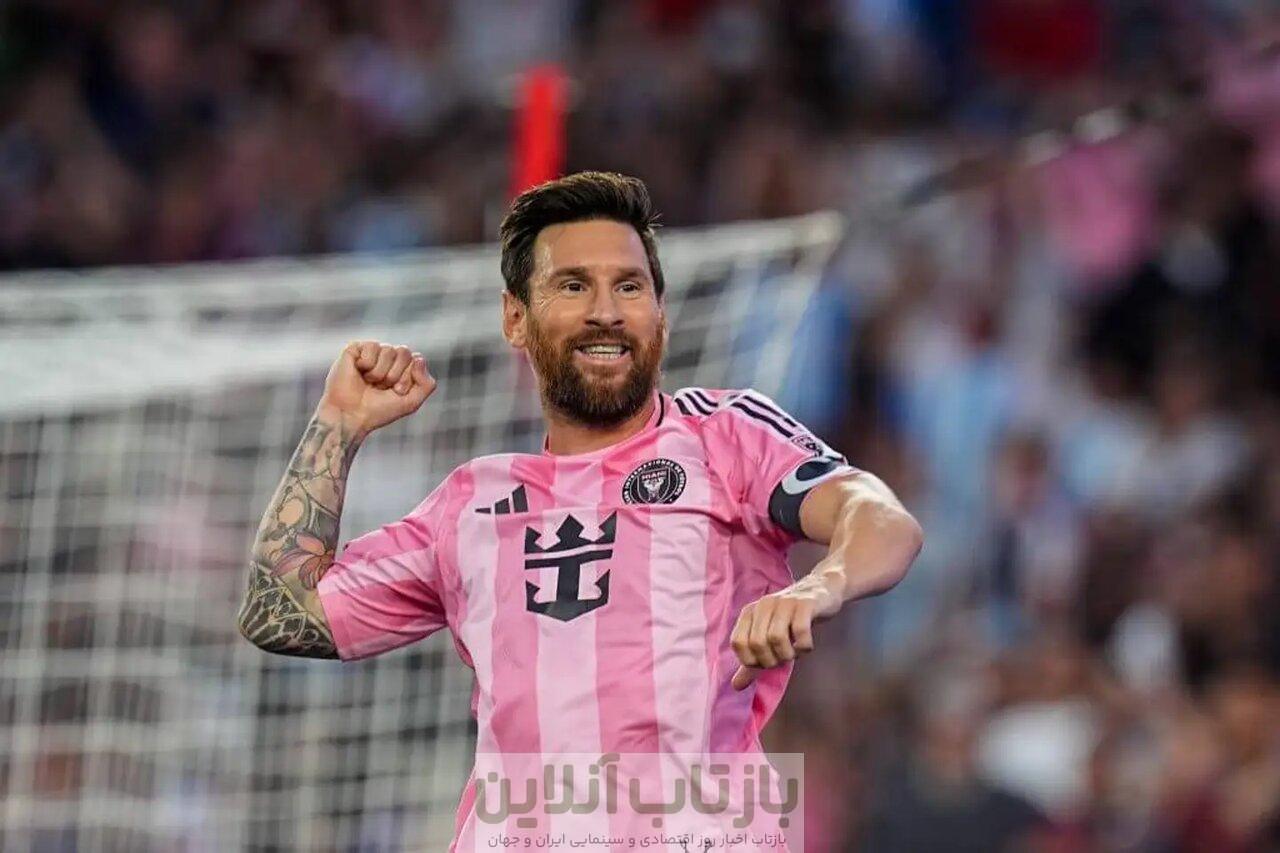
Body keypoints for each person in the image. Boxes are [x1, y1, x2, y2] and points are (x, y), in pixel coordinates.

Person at [236, 171, 923, 849]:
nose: (606, 311)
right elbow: (280, 612)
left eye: (629, 286)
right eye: (573, 286)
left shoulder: (722, 437)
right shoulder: (470, 504)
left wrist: (816, 588)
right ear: (515, 318)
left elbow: (882, 520)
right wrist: (338, 423)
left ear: (660, 313)